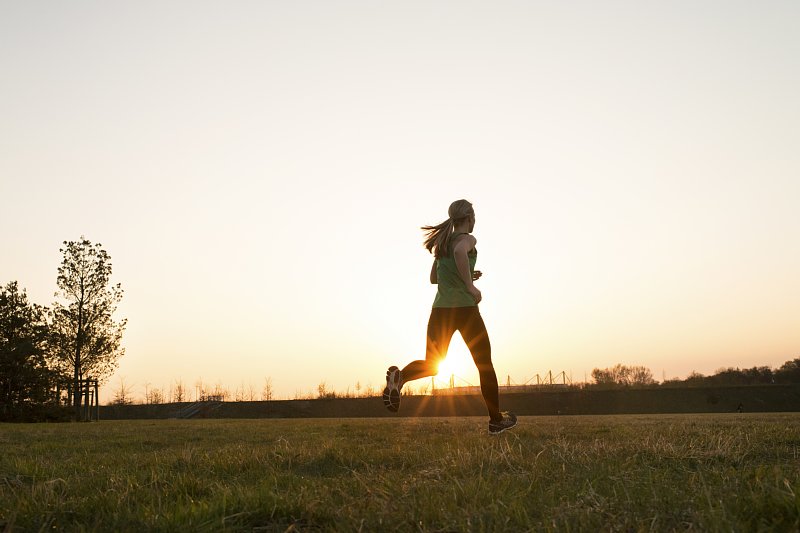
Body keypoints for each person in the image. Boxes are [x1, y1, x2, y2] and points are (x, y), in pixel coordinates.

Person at [383, 199, 517, 435]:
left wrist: (467, 276)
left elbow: (435, 278)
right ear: (470, 217)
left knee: (433, 364)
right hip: (465, 310)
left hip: (440, 312)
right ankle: (496, 420)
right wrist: (470, 287)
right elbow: (459, 252)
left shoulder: (442, 243)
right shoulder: (467, 240)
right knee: (485, 365)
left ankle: (400, 376)